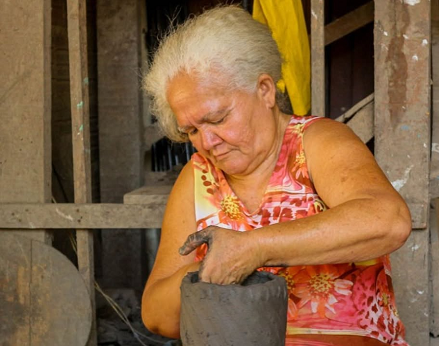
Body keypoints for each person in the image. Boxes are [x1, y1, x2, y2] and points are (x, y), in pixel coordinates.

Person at [141, 5, 412, 346]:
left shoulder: (314, 143)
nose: (206, 142)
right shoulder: (198, 177)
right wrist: (209, 270)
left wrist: (254, 248)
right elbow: (156, 315)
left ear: (265, 90)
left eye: (218, 118)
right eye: (191, 130)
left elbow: (389, 221)